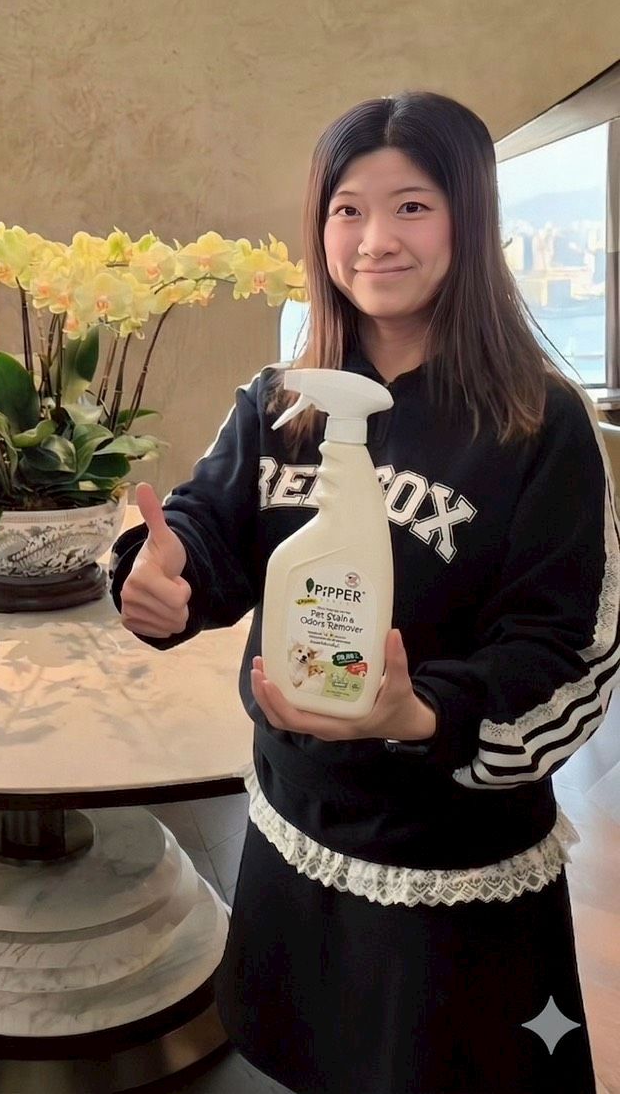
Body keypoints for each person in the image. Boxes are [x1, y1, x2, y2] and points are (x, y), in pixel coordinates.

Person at [113, 91, 613, 1093]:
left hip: (456, 874)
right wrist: (157, 578)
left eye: (412, 206)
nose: (375, 238)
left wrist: (420, 712)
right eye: (347, 209)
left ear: (469, 219)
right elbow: (206, 529)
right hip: (296, 833)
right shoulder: (279, 400)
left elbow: (570, 655)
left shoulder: (537, 421)